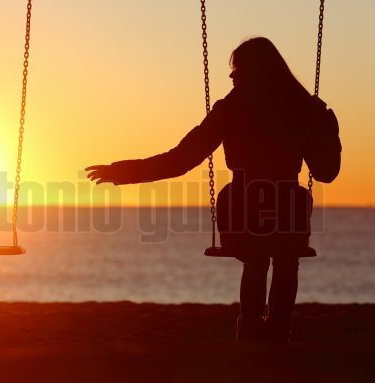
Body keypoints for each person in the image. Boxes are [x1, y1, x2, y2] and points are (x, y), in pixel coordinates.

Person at [86, 37, 341, 344]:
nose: (231, 76)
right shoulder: (302, 108)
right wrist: (328, 129)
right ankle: (277, 336)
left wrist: (125, 173)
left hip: (245, 204)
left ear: (253, 71)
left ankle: (251, 339)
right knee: (285, 261)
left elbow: (181, 159)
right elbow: (327, 172)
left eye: (236, 69)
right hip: (288, 207)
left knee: (257, 259)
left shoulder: (232, 109)